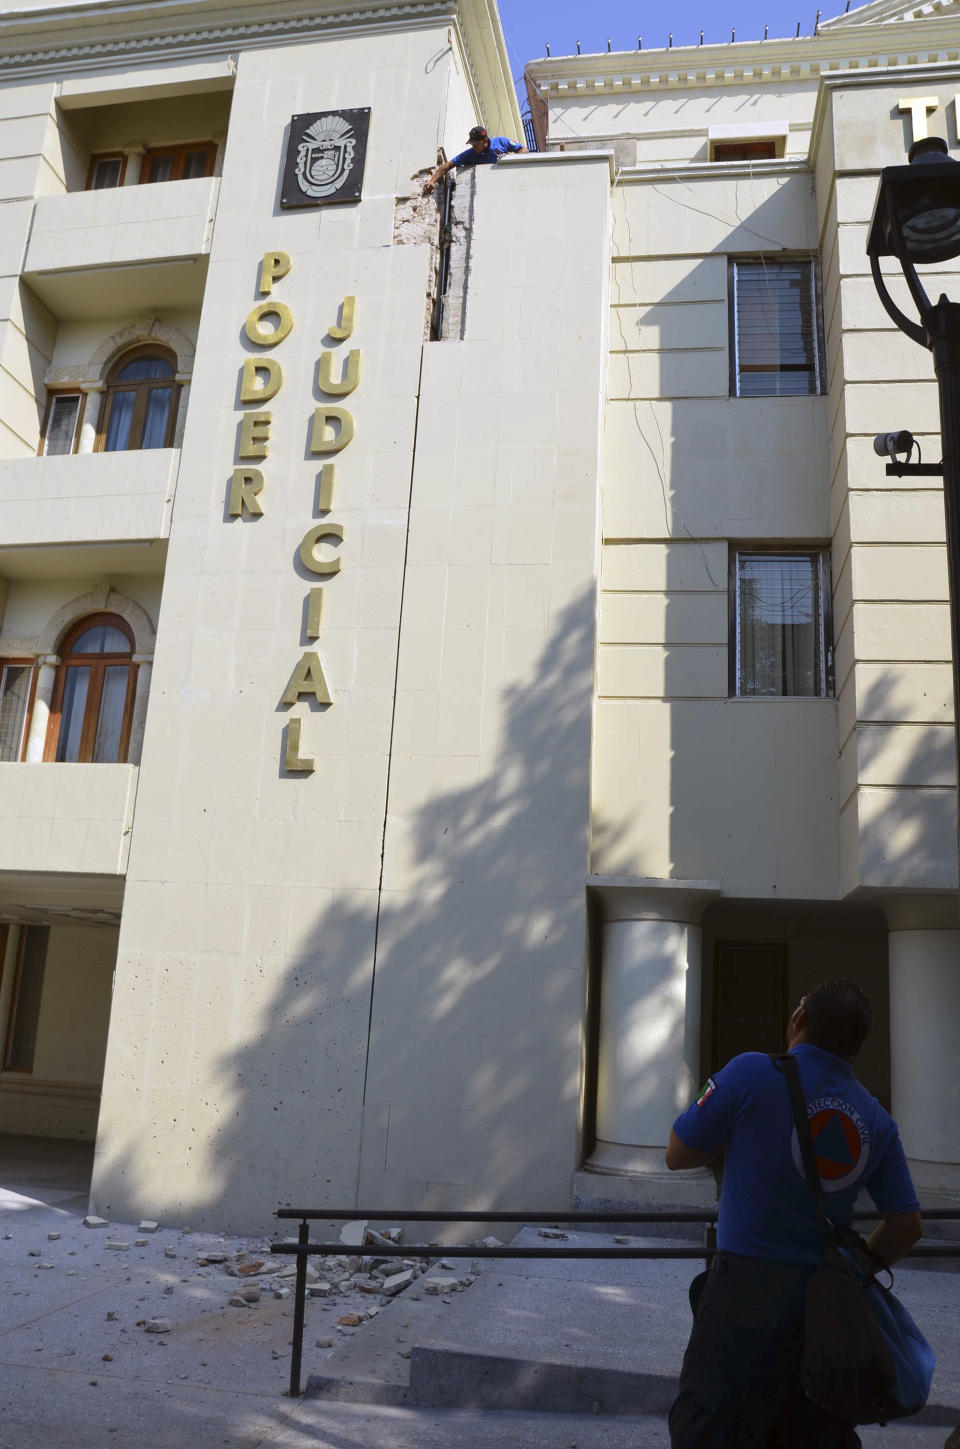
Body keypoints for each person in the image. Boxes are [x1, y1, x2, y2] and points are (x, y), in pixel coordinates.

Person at [666, 979, 922, 1449]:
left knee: (709, 1429)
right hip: (826, 1312)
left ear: (799, 1020)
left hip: (740, 1296)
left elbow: (678, 1153)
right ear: (857, 1045)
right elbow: (906, 1225)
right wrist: (858, 1269)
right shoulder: (876, 1118)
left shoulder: (747, 1074)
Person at [424, 125, 526, 192]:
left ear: (485, 140)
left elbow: (524, 151)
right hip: (490, 188)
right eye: (472, 144)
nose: (473, 146)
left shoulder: (501, 142)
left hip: (511, 184)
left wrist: (509, 159)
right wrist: (432, 181)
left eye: (476, 144)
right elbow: (447, 165)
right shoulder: (471, 154)